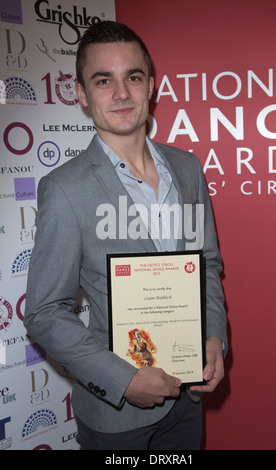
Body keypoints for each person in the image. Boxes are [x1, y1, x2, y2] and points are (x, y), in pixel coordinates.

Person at [24, 21, 227, 450]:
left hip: (188, 399)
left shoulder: (188, 168)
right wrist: (124, 379)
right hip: (118, 416)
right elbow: (44, 311)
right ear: (80, 93)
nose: (121, 94)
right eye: (103, 80)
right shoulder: (64, 188)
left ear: (150, 85)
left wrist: (214, 336)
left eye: (133, 77)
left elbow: (205, 262)